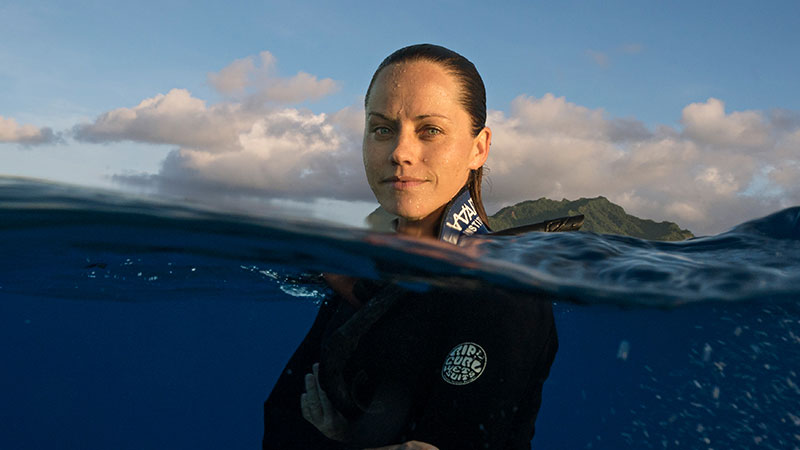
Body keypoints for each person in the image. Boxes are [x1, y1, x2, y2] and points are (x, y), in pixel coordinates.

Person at [263, 44, 558, 450]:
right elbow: (284, 423)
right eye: (382, 129)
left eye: (430, 130)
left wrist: (341, 440)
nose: (400, 152)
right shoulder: (354, 280)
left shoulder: (506, 292)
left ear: (479, 148)